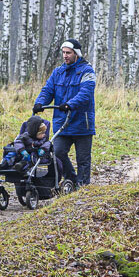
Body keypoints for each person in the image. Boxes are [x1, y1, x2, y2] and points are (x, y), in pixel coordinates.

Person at [34, 38, 96, 188]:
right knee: (58, 153)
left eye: (68, 53)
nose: (65, 56)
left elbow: (85, 93)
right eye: (63, 53)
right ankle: (72, 180)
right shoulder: (58, 72)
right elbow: (48, 90)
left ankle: (83, 186)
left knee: (83, 159)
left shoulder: (87, 71)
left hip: (82, 123)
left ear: (76, 54)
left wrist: (69, 104)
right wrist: (40, 102)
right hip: (62, 123)